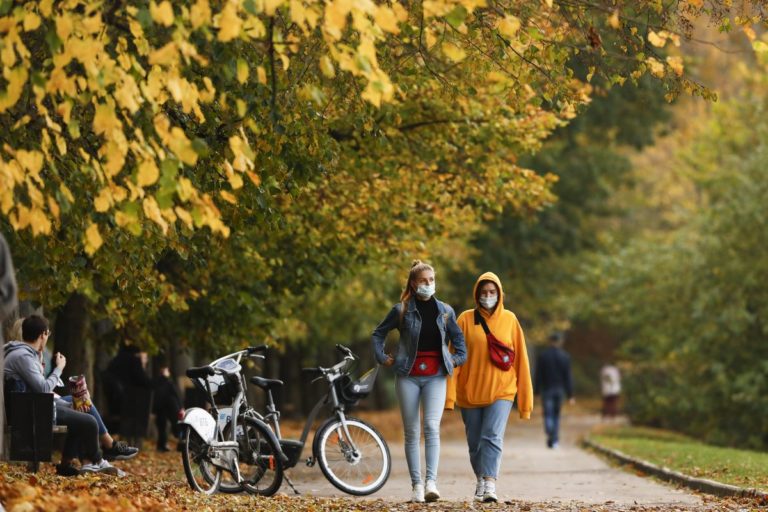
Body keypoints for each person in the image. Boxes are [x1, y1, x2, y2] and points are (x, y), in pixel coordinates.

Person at [372, 260, 467, 503]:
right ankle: (416, 485)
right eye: (424, 281)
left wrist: (454, 360)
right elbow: (378, 333)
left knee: (432, 427)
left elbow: (460, 342)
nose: (428, 284)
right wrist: (383, 357)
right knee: (412, 431)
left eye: (431, 280)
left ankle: (431, 483)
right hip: (408, 376)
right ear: (414, 284)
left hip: (436, 376)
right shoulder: (401, 310)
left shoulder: (445, 311)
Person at [446, 272, 533, 503]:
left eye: (492, 292)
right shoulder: (464, 319)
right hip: (469, 392)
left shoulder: (510, 320)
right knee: (475, 443)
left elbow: (521, 361)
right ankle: (481, 480)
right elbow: (452, 358)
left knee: (492, 436)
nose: (488, 296)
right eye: (483, 292)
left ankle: (490, 483)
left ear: (499, 294)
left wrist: (525, 404)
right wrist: (449, 396)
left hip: (502, 391)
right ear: (477, 294)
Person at [4, 315, 129, 476]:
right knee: (89, 421)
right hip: (33, 411)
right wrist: (59, 368)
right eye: (47, 334)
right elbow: (42, 388)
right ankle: (95, 460)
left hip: (34, 405)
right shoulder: (23, 356)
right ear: (43, 334)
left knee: (80, 401)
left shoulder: (24, 354)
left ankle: (75, 462)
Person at [534, 331, 575, 450]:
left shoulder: (543, 356)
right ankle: (554, 439)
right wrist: (570, 395)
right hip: (559, 390)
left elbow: (539, 375)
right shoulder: (565, 356)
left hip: (547, 390)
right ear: (559, 342)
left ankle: (550, 431)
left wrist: (536, 391)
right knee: (556, 415)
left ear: (550, 341)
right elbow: (568, 377)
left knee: (548, 413)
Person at [153, 360, 183, 452]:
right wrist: (181, 407)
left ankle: (162, 445)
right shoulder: (167, 382)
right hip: (167, 408)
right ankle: (163, 445)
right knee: (165, 426)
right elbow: (177, 395)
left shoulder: (161, 382)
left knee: (165, 427)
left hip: (164, 408)